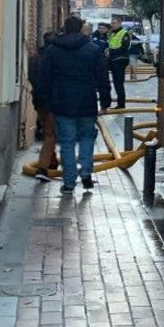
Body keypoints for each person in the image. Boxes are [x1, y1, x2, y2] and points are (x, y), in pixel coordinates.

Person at [38, 15, 110, 194]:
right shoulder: (93, 50)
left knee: (67, 142)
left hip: (62, 102)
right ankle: (86, 173)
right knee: (87, 137)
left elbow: (44, 78)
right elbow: (102, 78)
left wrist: (46, 102)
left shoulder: (53, 50)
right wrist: (106, 101)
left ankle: (69, 182)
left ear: (65, 28)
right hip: (87, 101)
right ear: (80, 29)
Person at [28, 32, 58, 181]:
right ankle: (43, 167)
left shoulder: (34, 58)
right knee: (51, 134)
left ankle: (52, 161)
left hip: (38, 100)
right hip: (53, 101)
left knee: (48, 132)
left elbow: (30, 77)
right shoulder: (56, 58)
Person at [106, 15, 133, 110]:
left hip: (120, 60)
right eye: (111, 23)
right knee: (116, 82)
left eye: (114, 23)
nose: (112, 25)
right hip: (113, 60)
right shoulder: (112, 34)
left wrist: (111, 52)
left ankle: (121, 104)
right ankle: (117, 103)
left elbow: (124, 48)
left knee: (118, 83)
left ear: (119, 23)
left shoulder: (124, 33)